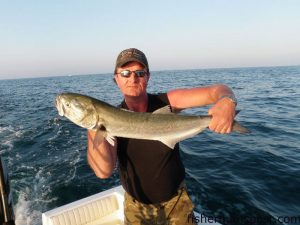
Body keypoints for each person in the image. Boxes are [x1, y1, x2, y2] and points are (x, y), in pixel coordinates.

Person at [87, 48, 237, 225]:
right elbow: (103, 171)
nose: (133, 79)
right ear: (116, 79)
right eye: (125, 73)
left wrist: (227, 101)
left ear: (148, 77)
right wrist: (93, 125)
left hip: (177, 202)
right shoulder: (110, 120)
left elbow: (216, 91)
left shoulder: (168, 102)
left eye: (140, 73)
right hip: (137, 208)